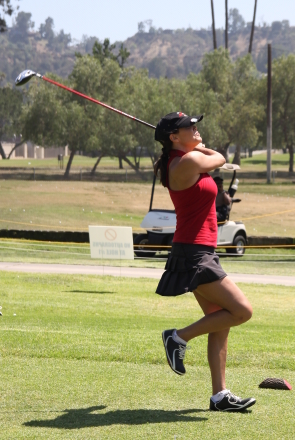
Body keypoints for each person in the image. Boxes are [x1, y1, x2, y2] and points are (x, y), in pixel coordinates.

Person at [154, 112, 255, 412]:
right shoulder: (186, 163)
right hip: (194, 251)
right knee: (241, 311)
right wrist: (201, 148)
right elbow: (221, 158)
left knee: (220, 320)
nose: (195, 128)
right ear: (174, 136)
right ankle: (177, 338)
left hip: (200, 249)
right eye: (189, 127)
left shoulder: (184, 159)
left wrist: (194, 144)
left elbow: (211, 159)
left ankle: (219, 395)